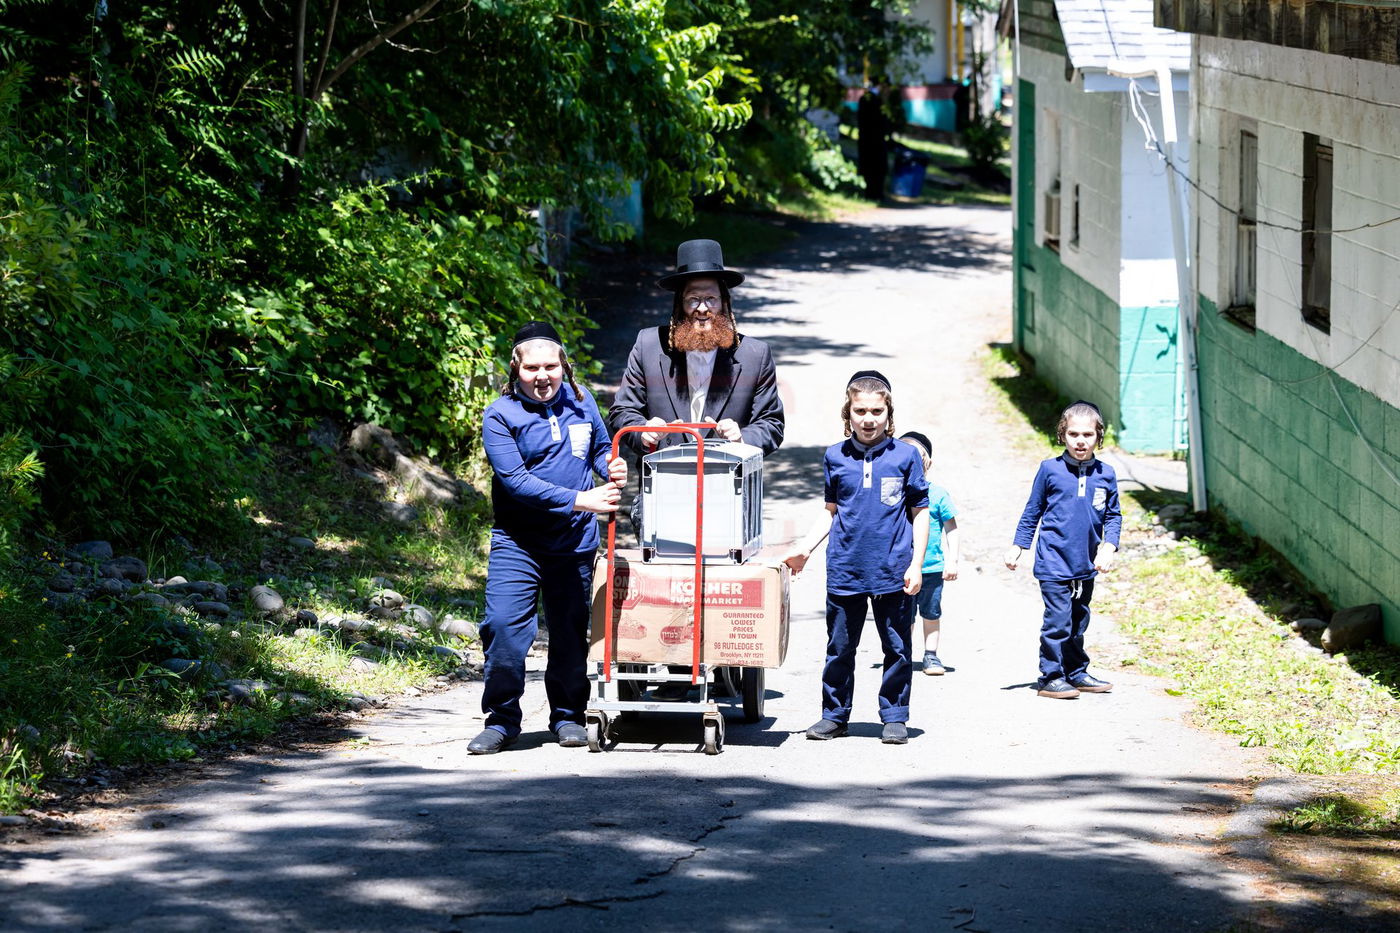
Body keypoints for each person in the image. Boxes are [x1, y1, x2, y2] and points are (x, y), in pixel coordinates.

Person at [608, 238, 785, 700]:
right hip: (664, 497)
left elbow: (773, 425)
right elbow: (621, 412)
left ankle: (717, 655)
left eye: (710, 298)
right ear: (678, 304)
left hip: (727, 498)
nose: (702, 308)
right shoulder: (649, 346)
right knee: (664, 576)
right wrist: (643, 428)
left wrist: (741, 435)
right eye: (693, 298)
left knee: (718, 578)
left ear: (725, 302)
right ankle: (662, 653)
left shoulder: (754, 354)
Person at [469, 322, 628, 754]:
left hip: (574, 544)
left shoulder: (581, 400)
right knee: (503, 628)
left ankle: (568, 717)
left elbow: (599, 447)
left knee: (571, 632)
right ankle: (501, 720)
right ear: (515, 369)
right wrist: (584, 499)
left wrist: (612, 465)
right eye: (533, 367)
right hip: (517, 543)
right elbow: (516, 481)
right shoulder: (500, 415)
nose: (543, 376)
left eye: (551, 366)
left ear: (564, 366)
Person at [784, 371, 929, 744]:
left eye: (876, 411)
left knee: (897, 647)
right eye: (860, 410)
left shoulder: (906, 456)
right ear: (847, 412)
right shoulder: (835, 456)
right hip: (845, 569)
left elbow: (920, 513)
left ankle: (894, 716)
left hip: (893, 570)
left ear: (888, 413)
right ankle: (834, 715)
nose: (868, 419)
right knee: (839, 648)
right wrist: (805, 548)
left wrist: (916, 563)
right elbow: (830, 510)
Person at [1004, 401, 1122, 700]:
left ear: (1099, 437)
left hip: (1087, 563)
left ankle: (1076, 672)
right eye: (1073, 434)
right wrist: (1019, 546)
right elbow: (1033, 510)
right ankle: (1050, 676)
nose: (1080, 441)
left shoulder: (1105, 474)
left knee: (1079, 620)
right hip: (1054, 561)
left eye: (1087, 435)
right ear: (1062, 435)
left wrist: (1109, 546)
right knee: (1058, 620)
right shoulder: (1049, 470)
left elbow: (1113, 515)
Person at [899, 431, 960, 676]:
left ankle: (931, 655)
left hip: (932, 568)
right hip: (901, 568)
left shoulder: (938, 494)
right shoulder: (895, 493)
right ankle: (902, 654)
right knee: (904, 615)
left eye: (918, 455)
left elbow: (951, 528)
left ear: (929, 463)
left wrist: (952, 559)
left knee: (931, 612)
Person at [857, 84, 891, 201]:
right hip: (873, 140)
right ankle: (874, 194)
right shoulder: (873, 100)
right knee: (874, 168)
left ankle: (874, 193)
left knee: (873, 168)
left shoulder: (866, 99)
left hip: (870, 140)